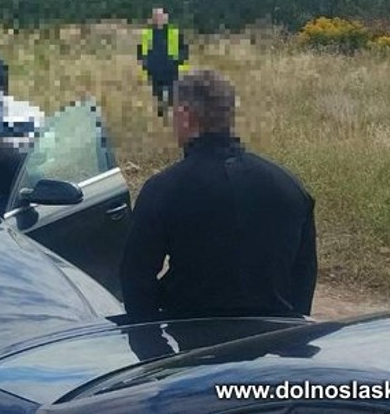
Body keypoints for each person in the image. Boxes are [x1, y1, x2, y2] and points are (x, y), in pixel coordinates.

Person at [119, 69, 317, 322]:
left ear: (185, 115)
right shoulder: (289, 187)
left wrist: (153, 347)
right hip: (270, 341)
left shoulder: (163, 189)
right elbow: (304, 277)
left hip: (192, 339)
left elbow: (135, 279)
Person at [137, 7, 190, 117]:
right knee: (158, 92)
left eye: (161, 16)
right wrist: (144, 63)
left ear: (166, 17)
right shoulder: (147, 33)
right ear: (152, 18)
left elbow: (184, 49)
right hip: (155, 68)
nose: (158, 19)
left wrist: (179, 60)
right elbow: (141, 50)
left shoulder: (174, 32)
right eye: (156, 16)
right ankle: (161, 111)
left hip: (171, 68)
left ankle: (171, 111)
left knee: (173, 91)